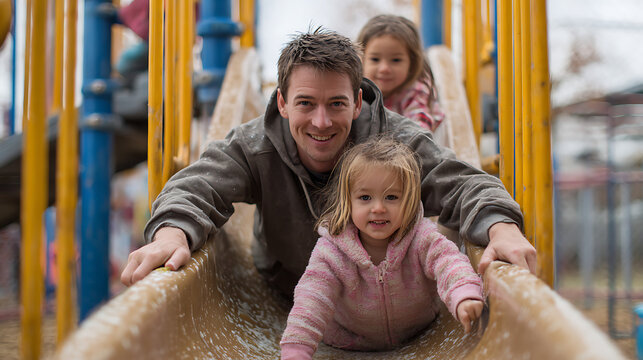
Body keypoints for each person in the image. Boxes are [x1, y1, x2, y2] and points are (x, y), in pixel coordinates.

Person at [120, 28, 536, 298]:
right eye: (305, 103)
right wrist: (172, 233)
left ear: (358, 102)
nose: (321, 122)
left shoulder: (397, 142)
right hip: (289, 290)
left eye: (337, 103)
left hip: (383, 299)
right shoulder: (255, 145)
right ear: (282, 102)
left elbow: (464, 183)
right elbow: (197, 184)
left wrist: (501, 226)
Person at [279, 138, 484, 358]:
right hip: (348, 344)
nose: (378, 208)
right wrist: (297, 349)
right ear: (348, 201)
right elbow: (313, 297)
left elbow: (447, 261)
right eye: (365, 197)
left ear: (410, 200)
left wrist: (463, 293)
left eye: (391, 197)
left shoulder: (420, 238)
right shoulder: (332, 251)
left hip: (418, 334)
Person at [357, 15, 444, 132]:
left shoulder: (415, 91)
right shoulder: (358, 89)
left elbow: (419, 129)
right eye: (375, 59)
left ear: (412, 63)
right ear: (361, 59)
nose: (384, 69)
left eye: (396, 60)